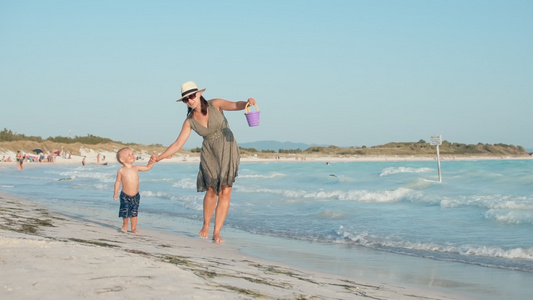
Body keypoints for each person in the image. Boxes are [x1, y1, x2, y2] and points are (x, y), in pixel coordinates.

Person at [155, 81, 257, 244]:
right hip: (209, 152)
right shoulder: (189, 121)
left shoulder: (215, 104)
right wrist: (159, 157)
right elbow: (177, 144)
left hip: (228, 148)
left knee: (226, 190)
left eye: (192, 96)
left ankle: (217, 232)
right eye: (186, 99)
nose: (190, 100)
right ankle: (206, 224)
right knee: (211, 190)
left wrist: (247, 103)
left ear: (199, 94)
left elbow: (234, 105)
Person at [113, 147, 156, 234]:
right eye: (129, 155)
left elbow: (147, 168)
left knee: (134, 212)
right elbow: (118, 182)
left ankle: (133, 228)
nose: (132, 155)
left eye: (132, 154)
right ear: (122, 159)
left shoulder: (136, 167)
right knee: (125, 212)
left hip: (136, 195)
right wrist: (115, 193)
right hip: (125, 195)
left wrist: (152, 162)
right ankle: (125, 226)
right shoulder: (121, 170)